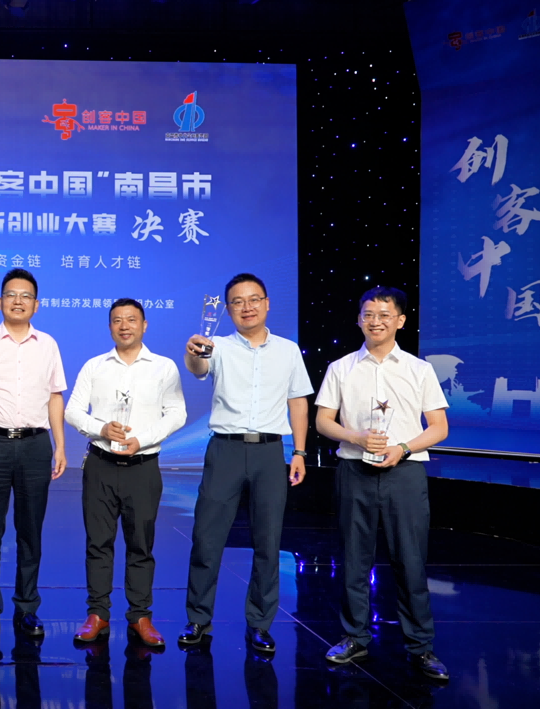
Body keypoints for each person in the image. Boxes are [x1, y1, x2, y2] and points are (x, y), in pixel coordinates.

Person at [314, 286, 450, 681]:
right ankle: (355, 637)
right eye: (368, 314)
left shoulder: (419, 370)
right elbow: (323, 421)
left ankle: (420, 646)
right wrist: (355, 437)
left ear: (400, 321)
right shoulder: (341, 367)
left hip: (404, 473)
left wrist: (403, 448)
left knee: (410, 560)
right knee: (354, 559)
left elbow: (438, 427)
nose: (375, 321)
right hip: (354, 471)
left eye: (385, 315)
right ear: (359, 319)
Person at [179, 273, 312, 653]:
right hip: (225, 450)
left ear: (267, 303)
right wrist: (194, 352)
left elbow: (298, 402)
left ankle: (260, 623)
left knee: (268, 541)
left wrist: (300, 452)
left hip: (270, 452)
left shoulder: (288, 350)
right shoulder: (217, 345)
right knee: (207, 537)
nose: (247, 307)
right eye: (237, 302)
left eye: (254, 299)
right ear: (228, 309)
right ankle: (198, 618)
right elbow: (198, 368)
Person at [0, 268, 69, 643]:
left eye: (25, 296)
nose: (18, 301)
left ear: (36, 304)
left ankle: (27, 607)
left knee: (30, 531)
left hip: (35, 445)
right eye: (11, 294)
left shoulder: (48, 345)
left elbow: (55, 396)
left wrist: (60, 445)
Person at [66, 298, 187, 647]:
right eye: (117, 320)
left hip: (143, 467)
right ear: (110, 327)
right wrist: (102, 428)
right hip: (101, 465)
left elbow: (177, 413)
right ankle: (97, 613)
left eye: (131, 319)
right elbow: (73, 411)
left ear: (144, 325)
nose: (124, 326)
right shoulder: (95, 366)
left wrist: (141, 439)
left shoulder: (163, 367)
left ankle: (140, 616)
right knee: (98, 543)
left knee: (141, 545)